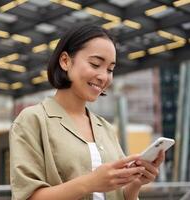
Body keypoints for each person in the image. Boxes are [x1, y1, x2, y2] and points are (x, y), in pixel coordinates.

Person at [9, 23, 164, 200]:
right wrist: (90, 183)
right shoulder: (33, 119)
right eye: (95, 64)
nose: (104, 76)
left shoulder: (105, 128)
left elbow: (118, 195)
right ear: (65, 61)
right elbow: (27, 196)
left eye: (110, 69)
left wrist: (135, 183)